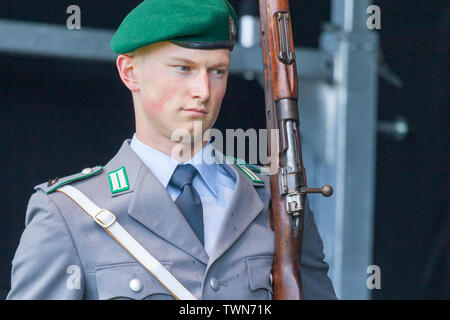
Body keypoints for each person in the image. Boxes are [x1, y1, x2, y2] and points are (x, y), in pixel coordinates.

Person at [7, 0, 336, 300]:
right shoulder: (70, 214)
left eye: (217, 71)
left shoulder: (272, 197)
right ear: (130, 72)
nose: (203, 91)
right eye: (184, 68)